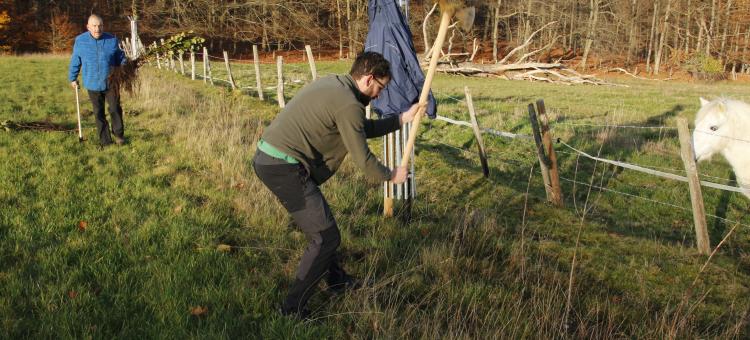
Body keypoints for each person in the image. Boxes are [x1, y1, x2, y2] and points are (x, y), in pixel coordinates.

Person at [252, 52, 419, 318]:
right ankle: (291, 309)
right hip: (282, 167)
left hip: (273, 160)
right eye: (380, 87)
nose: (378, 95)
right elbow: (364, 161)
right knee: (326, 237)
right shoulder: (348, 104)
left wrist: (401, 119)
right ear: (368, 78)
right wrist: (391, 175)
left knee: (322, 228)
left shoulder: (337, 86)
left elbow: (361, 128)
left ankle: (337, 280)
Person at [68, 14, 127, 146]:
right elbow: (75, 60)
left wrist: (125, 67)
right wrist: (73, 77)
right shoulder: (80, 41)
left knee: (115, 108)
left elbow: (121, 57)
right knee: (98, 112)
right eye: (94, 26)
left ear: (103, 26)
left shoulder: (112, 40)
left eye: (100, 26)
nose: (97, 29)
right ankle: (105, 141)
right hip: (92, 82)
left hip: (112, 81)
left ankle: (118, 135)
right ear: (88, 27)